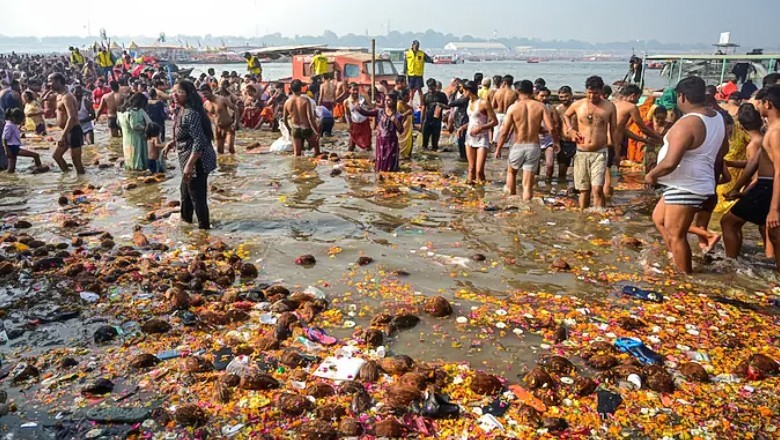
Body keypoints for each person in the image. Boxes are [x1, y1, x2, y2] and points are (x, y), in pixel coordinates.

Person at [645, 77, 728, 274]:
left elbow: (671, 162)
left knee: (676, 234)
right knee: (659, 219)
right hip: (692, 182)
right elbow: (724, 149)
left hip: (686, 185)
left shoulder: (688, 123)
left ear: (681, 96)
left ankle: (685, 276)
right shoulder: (716, 117)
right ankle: (675, 256)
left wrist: (652, 175)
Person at [723, 87, 780, 269]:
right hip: (763, 186)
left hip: (768, 186)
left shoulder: (776, 131)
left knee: (729, 222)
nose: (757, 106)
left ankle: (731, 264)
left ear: (768, 104)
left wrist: (774, 209)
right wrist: (738, 189)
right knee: (773, 233)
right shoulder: (769, 129)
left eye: (759, 102)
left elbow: (779, 170)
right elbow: (755, 162)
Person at [167, 80, 218, 230]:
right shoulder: (181, 110)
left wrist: (190, 166)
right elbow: (185, 134)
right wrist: (173, 143)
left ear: (189, 95)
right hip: (187, 160)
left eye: (180, 92)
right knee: (185, 194)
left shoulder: (191, 113)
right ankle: (186, 224)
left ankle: (204, 230)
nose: (175, 95)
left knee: (197, 197)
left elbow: (199, 141)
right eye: (173, 91)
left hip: (197, 161)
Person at [563, 76, 619, 209]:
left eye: (595, 93)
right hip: (581, 152)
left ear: (601, 92)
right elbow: (566, 115)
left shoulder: (609, 107)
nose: (592, 96)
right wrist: (571, 130)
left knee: (598, 188)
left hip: (600, 152)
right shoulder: (578, 104)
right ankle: (583, 219)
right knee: (584, 190)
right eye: (589, 92)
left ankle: (600, 216)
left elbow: (614, 130)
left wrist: (616, 153)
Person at [721, 104, 770, 257]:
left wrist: (743, 193)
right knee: (764, 227)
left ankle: (731, 260)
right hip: (764, 187)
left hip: (760, 187)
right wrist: (729, 163)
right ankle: (770, 257)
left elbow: (755, 173)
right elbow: (751, 164)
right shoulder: (762, 138)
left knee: (728, 222)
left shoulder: (754, 144)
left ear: (741, 126)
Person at [496, 79, 556, 200]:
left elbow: (504, 132)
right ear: (532, 91)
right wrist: (556, 142)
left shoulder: (513, 108)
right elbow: (551, 127)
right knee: (528, 186)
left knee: (511, 173)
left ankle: (511, 202)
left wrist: (498, 148)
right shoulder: (541, 106)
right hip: (533, 146)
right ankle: (526, 210)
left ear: (517, 91)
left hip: (518, 145)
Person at [354, 92, 404, 172]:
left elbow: (401, 131)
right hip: (380, 140)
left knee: (390, 161)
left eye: (389, 100)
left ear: (394, 102)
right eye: (385, 100)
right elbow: (366, 113)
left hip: (391, 142)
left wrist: (396, 121)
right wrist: (358, 108)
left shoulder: (398, 115)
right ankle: (379, 177)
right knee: (380, 159)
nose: (386, 102)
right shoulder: (379, 112)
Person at [459, 80, 497, 184]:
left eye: (464, 91)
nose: (463, 93)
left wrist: (480, 128)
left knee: (479, 170)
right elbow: (472, 121)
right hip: (469, 137)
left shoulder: (484, 103)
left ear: (469, 91)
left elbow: (495, 122)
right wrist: (463, 127)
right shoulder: (469, 102)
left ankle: (481, 192)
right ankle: (471, 195)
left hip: (482, 138)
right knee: (471, 168)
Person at [49, 73, 85, 174]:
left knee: (76, 161)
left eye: (51, 81)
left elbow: (72, 117)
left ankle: (82, 182)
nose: (49, 84)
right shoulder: (59, 96)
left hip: (73, 131)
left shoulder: (67, 97)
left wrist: (62, 135)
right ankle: (67, 177)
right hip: (66, 131)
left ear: (59, 81)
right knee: (56, 156)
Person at [282, 79, 320, 157]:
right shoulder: (305, 100)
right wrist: (316, 132)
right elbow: (310, 118)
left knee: (297, 154)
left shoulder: (287, 102)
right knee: (316, 151)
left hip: (295, 129)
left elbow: (285, 119)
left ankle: (297, 168)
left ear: (291, 89)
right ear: (301, 88)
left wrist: (289, 130)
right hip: (306, 128)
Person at [118, 92, 151, 171]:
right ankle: (139, 171)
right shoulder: (136, 111)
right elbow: (135, 125)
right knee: (138, 157)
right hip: (137, 138)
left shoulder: (121, 111)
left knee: (129, 157)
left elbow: (118, 124)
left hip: (126, 138)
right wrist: (145, 128)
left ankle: (131, 172)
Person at [201, 84, 237, 154]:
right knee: (219, 151)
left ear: (210, 91)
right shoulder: (205, 104)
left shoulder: (222, 99)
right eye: (203, 94)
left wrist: (236, 122)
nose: (205, 96)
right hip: (217, 128)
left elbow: (236, 109)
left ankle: (235, 163)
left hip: (228, 126)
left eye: (206, 93)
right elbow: (204, 116)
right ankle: (222, 164)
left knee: (230, 149)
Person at [3, 108, 42, 173]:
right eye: (19, 120)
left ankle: (7, 179)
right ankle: (40, 168)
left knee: (11, 169)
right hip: (12, 148)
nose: (20, 122)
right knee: (36, 155)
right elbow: (4, 138)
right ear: (13, 118)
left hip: (14, 147)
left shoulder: (12, 124)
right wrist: (7, 150)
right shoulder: (9, 125)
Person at [535, 87, 561, 185]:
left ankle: (548, 183)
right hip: (536, 139)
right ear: (536, 96)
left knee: (550, 164)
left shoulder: (551, 108)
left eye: (546, 95)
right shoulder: (534, 107)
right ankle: (535, 184)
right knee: (535, 166)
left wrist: (548, 131)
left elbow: (557, 124)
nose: (544, 97)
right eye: (542, 95)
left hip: (548, 139)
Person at [555, 86, 577, 183]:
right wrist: (556, 142)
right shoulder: (558, 109)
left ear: (571, 95)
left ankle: (577, 189)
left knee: (578, 168)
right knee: (562, 169)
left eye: (566, 96)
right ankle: (561, 188)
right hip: (563, 141)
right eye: (561, 97)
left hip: (577, 141)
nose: (564, 99)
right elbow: (556, 126)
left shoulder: (577, 107)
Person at [420, 78, 448, 151]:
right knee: (424, 143)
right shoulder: (425, 96)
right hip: (427, 120)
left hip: (437, 121)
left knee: (435, 143)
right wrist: (421, 122)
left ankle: (435, 156)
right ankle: (425, 158)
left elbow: (448, 106)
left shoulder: (442, 95)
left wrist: (441, 105)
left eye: (432, 86)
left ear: (435, 86)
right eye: (429, 87)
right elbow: (423, 109)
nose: (431, 89)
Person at [491, 75, 517, 149]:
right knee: (507, 138)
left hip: (498, 115)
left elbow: (493, 105)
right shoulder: (514, 94)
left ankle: (496, 154)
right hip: (508, 115)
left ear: (504, 82)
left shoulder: (497, 92)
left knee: (496, 138)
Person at [345, 83, 372, 151]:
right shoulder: (346, 102)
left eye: (357, 90)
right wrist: (349, 124)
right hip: (355, 124)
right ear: (349, 90)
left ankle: (369, 158)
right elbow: (347, 114)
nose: (356, 92)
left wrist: (365, 107)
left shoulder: (364, 98)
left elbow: (372, 108)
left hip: (364, 123)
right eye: (354, 90)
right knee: (351, 146)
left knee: (367, 145)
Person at [404, 41, 432, 106]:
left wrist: (433, 61)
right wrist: (405, 72)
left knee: (419, 89)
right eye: (415, 45)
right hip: (410, 74)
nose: (416, 47)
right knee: (411, 89)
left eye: (418, 46)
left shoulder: (422, 53)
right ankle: (410, 102)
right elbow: (405, 64)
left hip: (419, 74)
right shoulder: (407, 53)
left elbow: (428, 59)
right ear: (412, 45)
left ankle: (421, 103)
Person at [397, 88, 414, 160]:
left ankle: (407, 155)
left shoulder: (406, 105)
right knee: (402, 144)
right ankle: (402, 156)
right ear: (404, 96)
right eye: (408, 96)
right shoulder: (399, 105)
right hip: (402, 130)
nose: (410, 97)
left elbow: (411, 111)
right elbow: (397, 118)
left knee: (410, 142)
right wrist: (406, 113)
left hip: (408, 129)